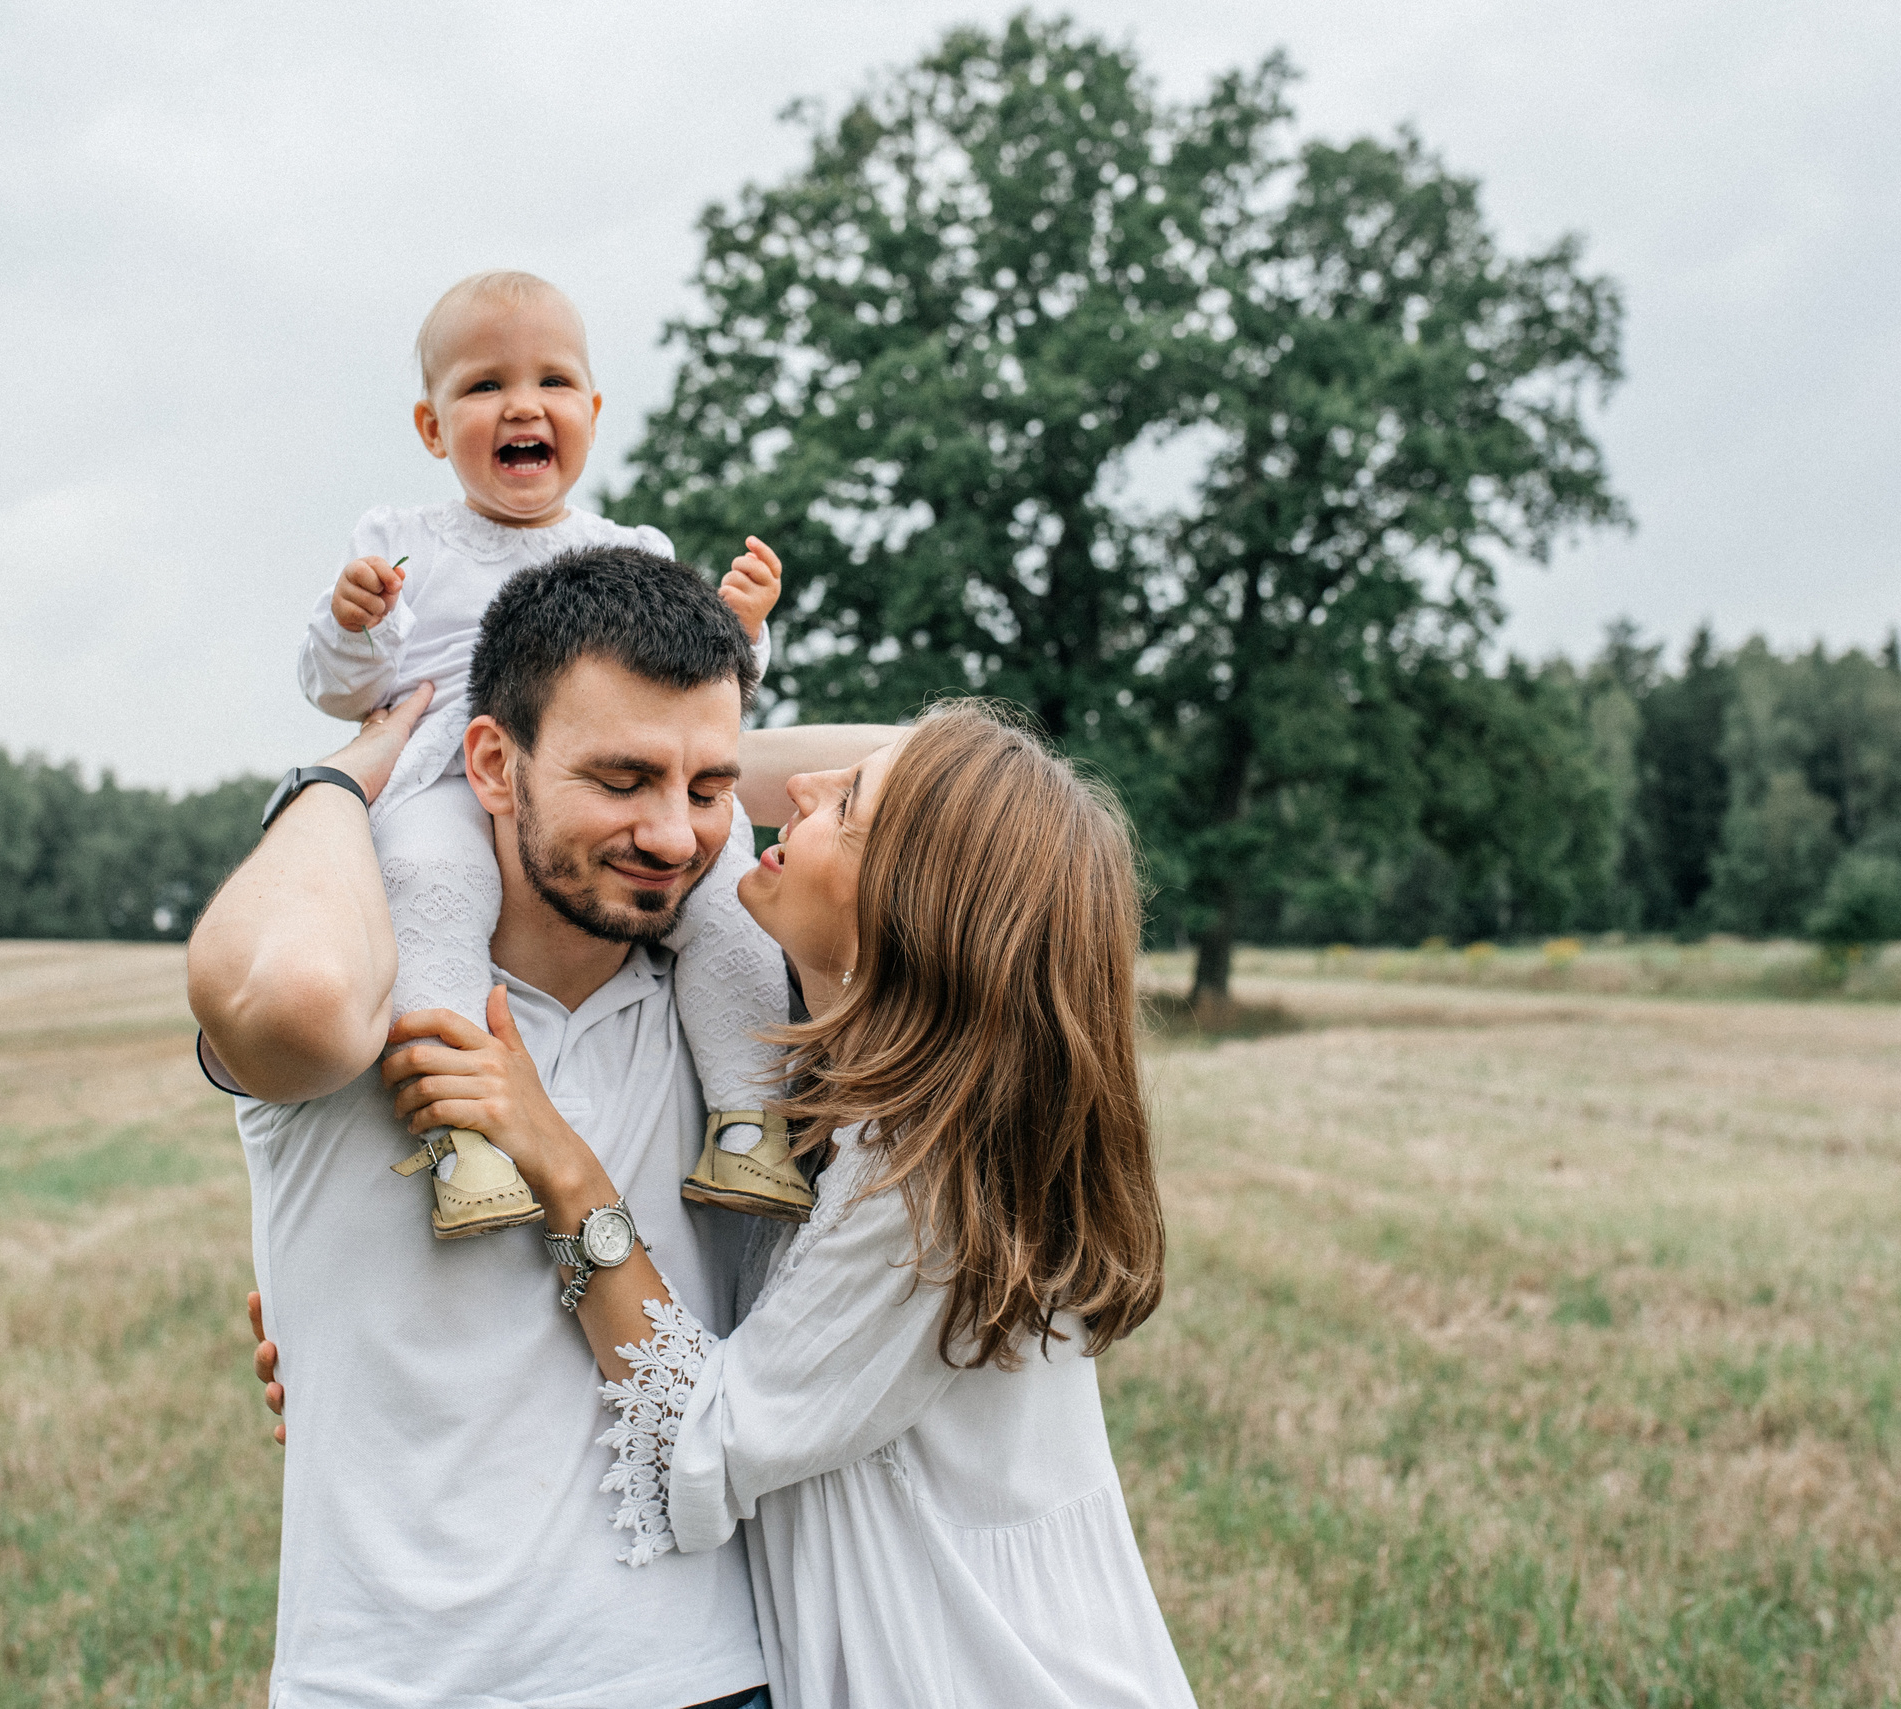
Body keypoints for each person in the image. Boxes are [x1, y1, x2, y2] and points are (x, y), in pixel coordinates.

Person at [335, 702, 1196, 1707]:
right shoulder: (854, 1086)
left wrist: (563, 1166)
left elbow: (703, 1444)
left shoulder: (921, 1181)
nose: (794, 790)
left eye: (849, 802)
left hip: (976, 1669)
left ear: (913, 905)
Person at [193, 545, 891, 1708]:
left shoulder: (736, 1016)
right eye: (620, 778)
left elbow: (945, 773)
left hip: (702, 1678)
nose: (675, 836)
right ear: (490, 765)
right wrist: (348, 772)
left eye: (709, 789)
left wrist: (676, 736)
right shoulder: (365, 999)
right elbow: (288, 1001)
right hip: (388, 1683)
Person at [292, 267, 811, 1240]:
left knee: (729, 891)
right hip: (453, 770)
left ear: (593, 410)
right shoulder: (401, 542)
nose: (522, 403)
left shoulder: (634, 545)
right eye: (484, 385)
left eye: (553, 381)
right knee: (430, 888)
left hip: (598, 785)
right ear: (432, 427)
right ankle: (464, 1135)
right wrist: (352, 625)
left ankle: (749, 1120)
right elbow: (337, 688)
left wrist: (742, 628)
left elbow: (695, 686)